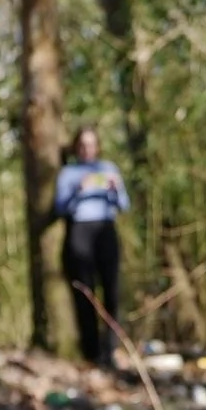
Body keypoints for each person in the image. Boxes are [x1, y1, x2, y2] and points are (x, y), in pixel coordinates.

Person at [54, 125, 130, 365]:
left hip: (106, 230)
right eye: (82, 145)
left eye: (91, 144)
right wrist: (78, 190)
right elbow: (59, 207)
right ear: (77, 147)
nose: (87, 149)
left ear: (98, 146)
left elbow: (124, 205)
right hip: (80, 230)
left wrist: (115, 189)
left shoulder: (108, 169)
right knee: (85, 293)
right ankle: (91, 353)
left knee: (111, 291)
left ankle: (110, 352)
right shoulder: (69, 173)